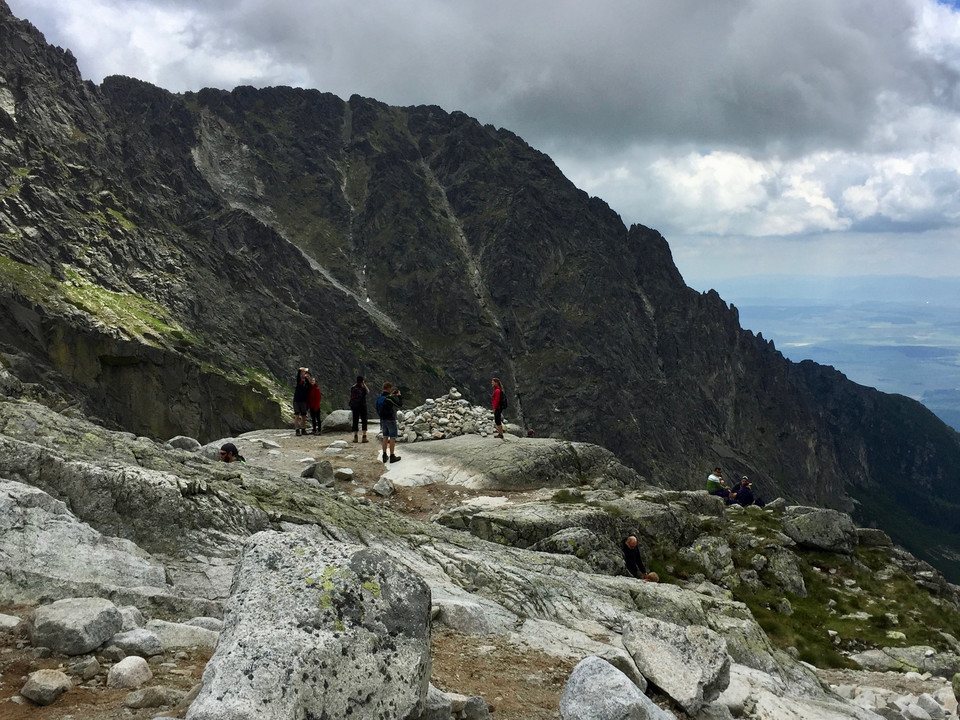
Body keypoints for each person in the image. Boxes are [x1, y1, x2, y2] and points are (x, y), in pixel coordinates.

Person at [377, 382, 403, 463]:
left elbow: (387, 397)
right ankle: (392, 456)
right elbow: (399, 405)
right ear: (388, 388)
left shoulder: (380, 397)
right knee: (392, 437)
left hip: (382, 419)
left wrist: (392, 394)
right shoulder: (389, 398)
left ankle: (384, 455)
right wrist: (399, 396)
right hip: (390, 419)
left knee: (385, 436)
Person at [349, 376, 369, 443]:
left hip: (355, 406)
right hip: (362, 405)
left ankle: (355, 437)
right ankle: (364, 436)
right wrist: (364, 384)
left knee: (355, 420)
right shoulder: (363, 388)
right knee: (364, 420)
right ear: (362, 381)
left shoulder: (353, 388)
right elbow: (368, 391)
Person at [293, 367, 310, 436]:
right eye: (303, 372)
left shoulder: (306, 382)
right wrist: (300, 370)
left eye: (305, 372)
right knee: (297, 414)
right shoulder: (299, 380)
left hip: (303, 400)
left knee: (303, 415)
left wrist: (307, 378)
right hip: (297, 399)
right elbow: (298, 376)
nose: (304, 374)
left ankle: (303, 429)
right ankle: (297, 430)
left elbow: (309, 386)